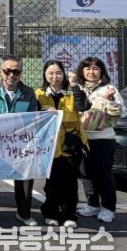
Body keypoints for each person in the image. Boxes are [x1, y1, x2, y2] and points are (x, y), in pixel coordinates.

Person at [0, 55, 38, 226]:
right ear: (1, 71)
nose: (11, 75)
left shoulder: (29, 92)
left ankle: (24, 213)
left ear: (21, 73)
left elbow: (33, 118)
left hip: (19, 142)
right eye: (7, 71)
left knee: (25, 176)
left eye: (16, 71)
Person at [36, 60, 89, 228]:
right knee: (51, 184)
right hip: (49, 147)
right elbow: (32, 116)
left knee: (70, 183)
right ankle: (50, 212)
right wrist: (44, 112)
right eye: (50, 73)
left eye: (58, 73)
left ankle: (69, 215)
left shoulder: (73, 92)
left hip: (70, 146)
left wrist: (75, 86)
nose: (55, 77)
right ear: (45, 75)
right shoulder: (39, 94)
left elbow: (83, 106)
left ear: (64, 74)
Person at [74, 56, 127, 223]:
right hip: (83, 139)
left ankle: (108, 208)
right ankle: (92, 204)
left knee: (103, 174)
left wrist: (110, 100)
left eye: (95, 68)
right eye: (88, 68)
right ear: (82, 71)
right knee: (86, 174)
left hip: (103, 139)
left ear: (102, 72)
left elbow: (121, 112)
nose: (91, 72)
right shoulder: (77, 88)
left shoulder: (108, 89)